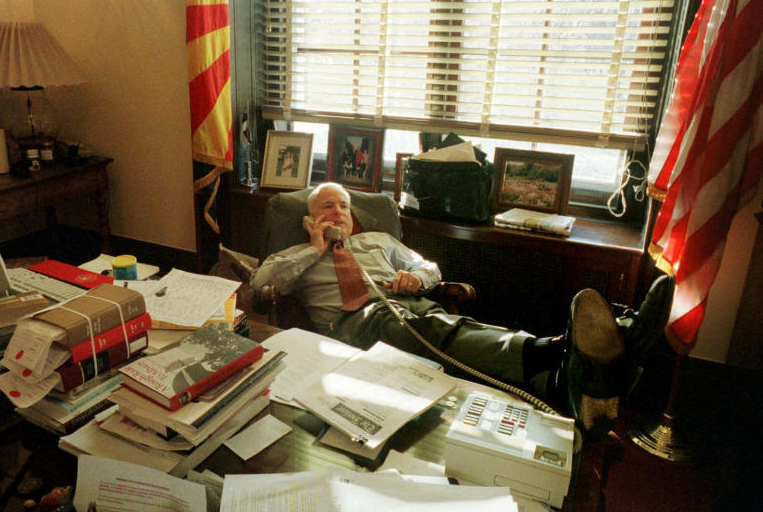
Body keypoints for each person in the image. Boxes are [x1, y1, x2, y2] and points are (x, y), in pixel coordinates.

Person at [250, 182, 674, 437]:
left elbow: (428, 265)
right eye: (327, 206)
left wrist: (419, 279)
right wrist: (314, 249)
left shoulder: (377, 241)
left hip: (409, 306)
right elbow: (261, 284)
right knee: (434, 332)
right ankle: (572, 351)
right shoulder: (297, 255)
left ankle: (566, 376)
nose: (338, 212)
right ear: (311, 216)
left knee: (452, 327)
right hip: (352, 324)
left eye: (343, 206)